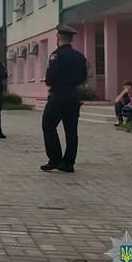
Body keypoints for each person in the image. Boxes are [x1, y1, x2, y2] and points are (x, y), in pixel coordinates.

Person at [40, 25, 88, 173]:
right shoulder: (79, 56)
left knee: (48, 125)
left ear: (58, 38)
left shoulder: (56, 55)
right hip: (73, 95)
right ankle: (69, 163)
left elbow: (50, 77)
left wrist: (54, 82)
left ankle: (55, 159)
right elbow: (83, 76)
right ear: (71, 39)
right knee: (71, 131)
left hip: (58, 96)